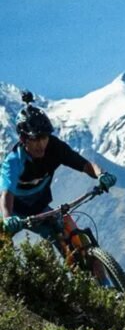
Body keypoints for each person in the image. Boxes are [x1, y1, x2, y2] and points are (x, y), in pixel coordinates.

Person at [1, 92, 117, 244]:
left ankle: (92, 264)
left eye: (44, 137)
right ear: (23, 139)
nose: (41, 144)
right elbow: (7, 194)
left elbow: (86, 165)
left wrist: (101, 174)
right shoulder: (14, 161)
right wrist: (8, 218)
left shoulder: (55, 148)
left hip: (40, 210)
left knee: (75, 239)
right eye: (35, 139)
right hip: (14, 213)